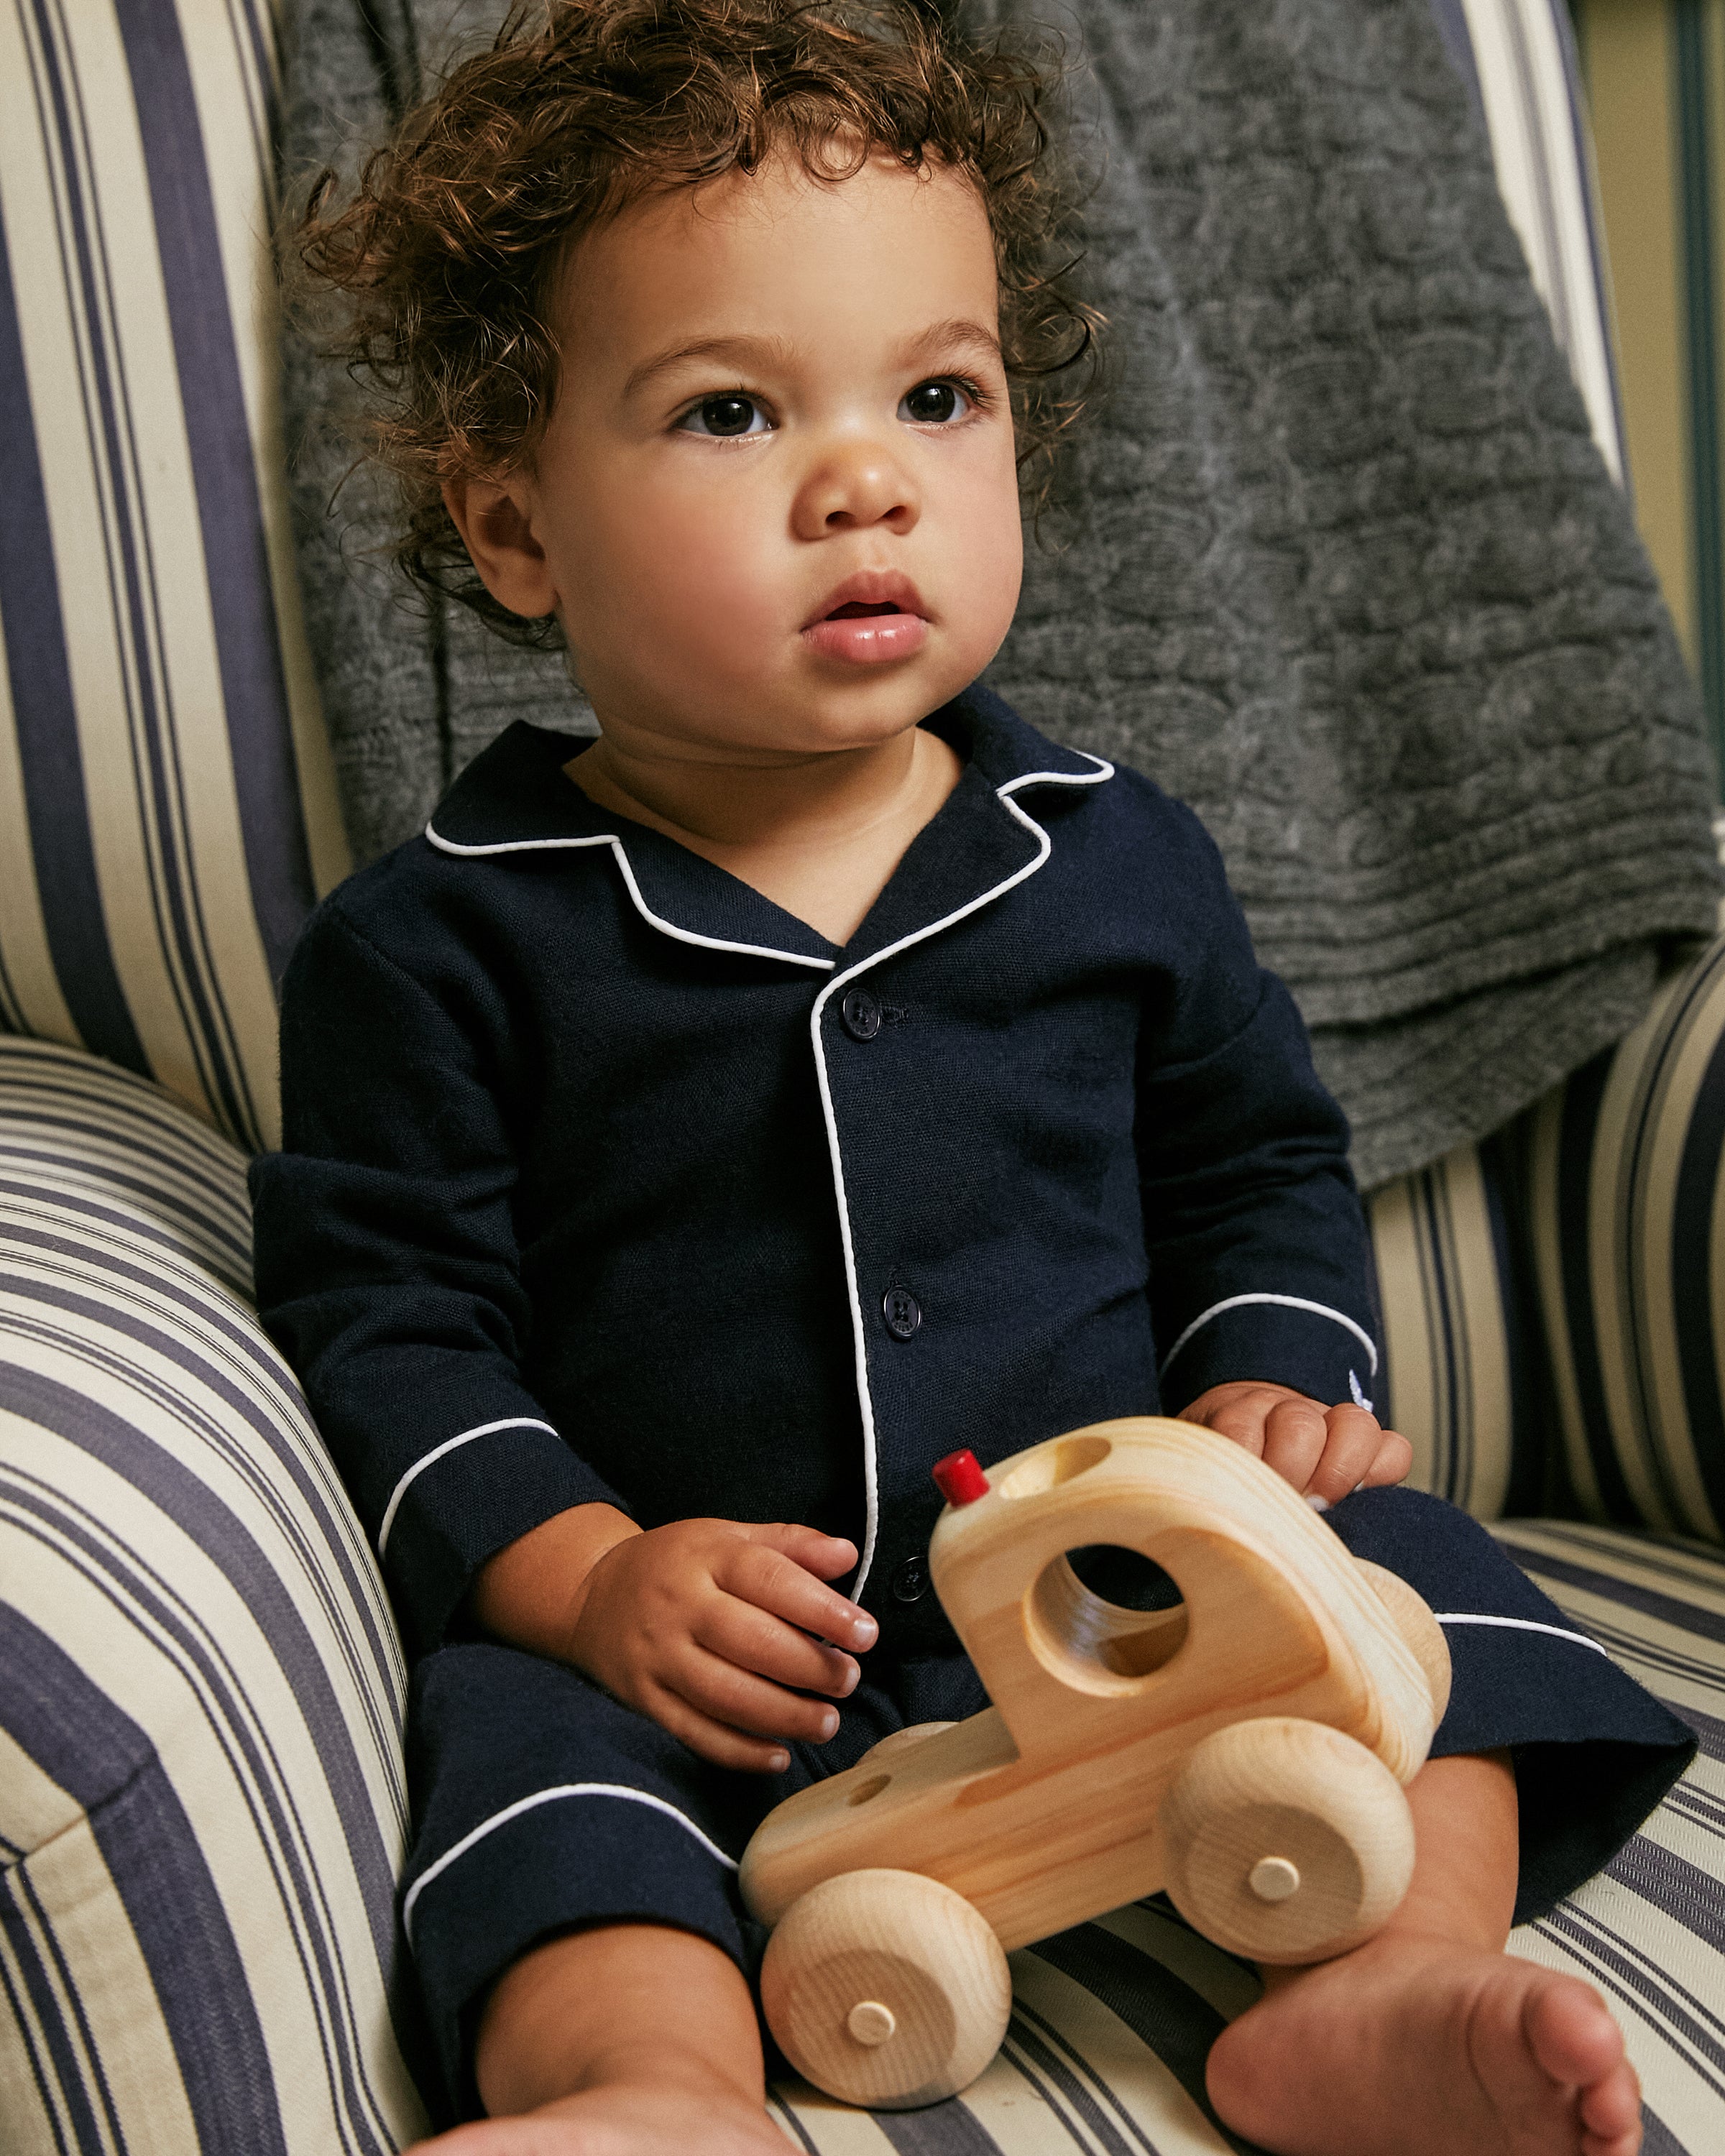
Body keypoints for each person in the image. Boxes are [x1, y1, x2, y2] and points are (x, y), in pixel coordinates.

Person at [252, 4, 1695, 2152]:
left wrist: (1271, 1383)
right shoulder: (443, 939)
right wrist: (595, 1580)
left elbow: (1256, 1158)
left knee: (1418, 1583)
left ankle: (1389, 1984)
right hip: (717, 1676)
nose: (867, 477)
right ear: (519, 529)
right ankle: (657, 2092)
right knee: (519, 1758)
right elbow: (391, 1322)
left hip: (1142, 1608)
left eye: (940, 393)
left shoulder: (1109, 854)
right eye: (732, 411)